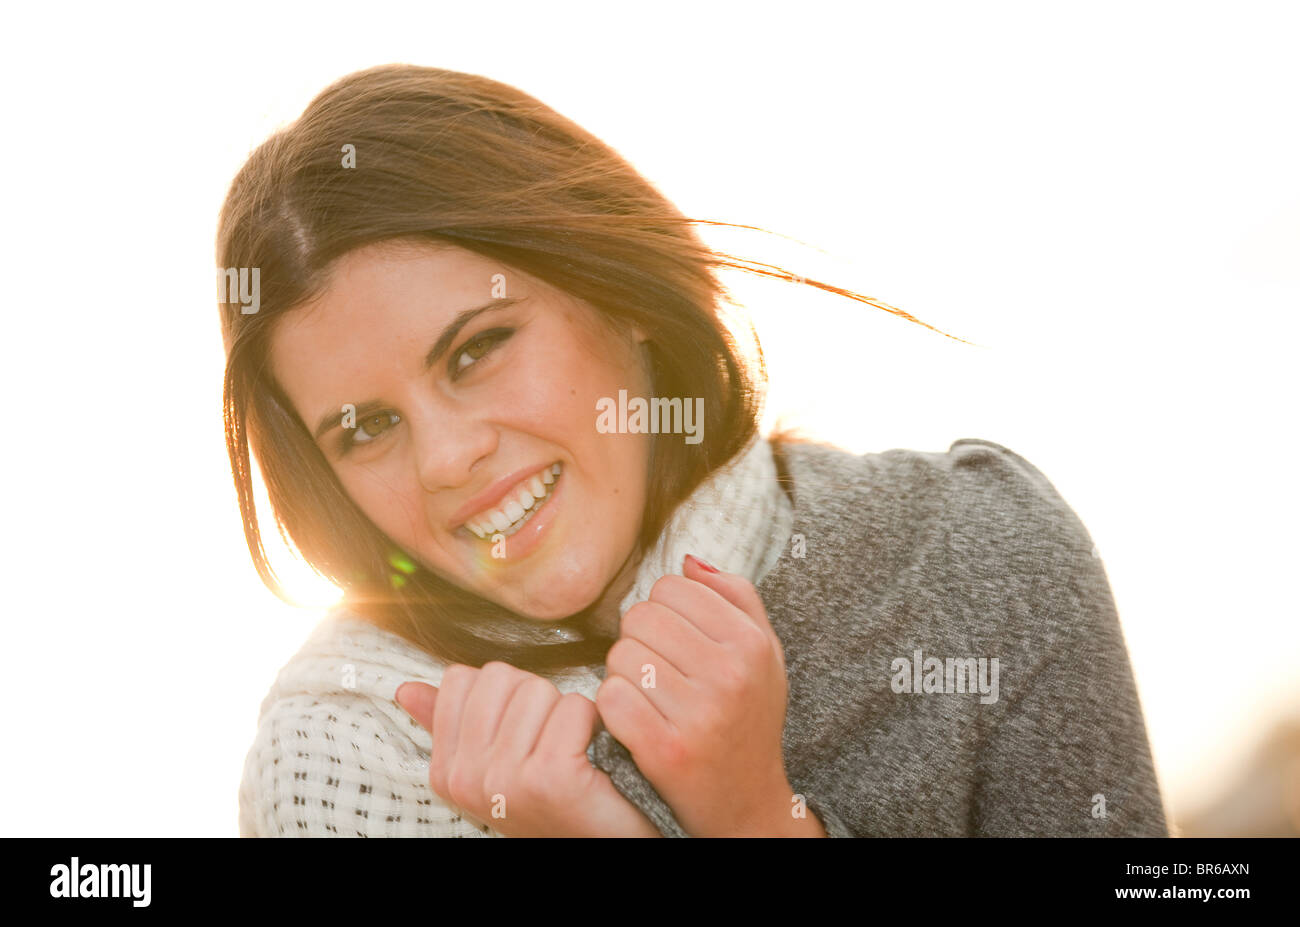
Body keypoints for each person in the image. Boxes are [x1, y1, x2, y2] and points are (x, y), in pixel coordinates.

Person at [222, 63, 1168, 837]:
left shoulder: (972, 554)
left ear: (620, 295)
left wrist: (752, 816)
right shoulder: (340, 756)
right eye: (367, 427)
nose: (445, 459)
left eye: (476, 350)